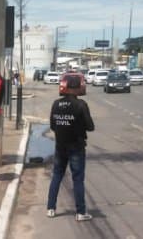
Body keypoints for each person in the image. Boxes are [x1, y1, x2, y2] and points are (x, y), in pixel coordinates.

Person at [46, 75, 95, 221]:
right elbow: (90, 127)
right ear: (77, 88)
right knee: (78, 179)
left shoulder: (56, 104)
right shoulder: (81, 105)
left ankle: (50, 208)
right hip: (76, 147)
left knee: (56, 176)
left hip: (60, 146)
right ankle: (80, 212)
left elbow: (53, 126)